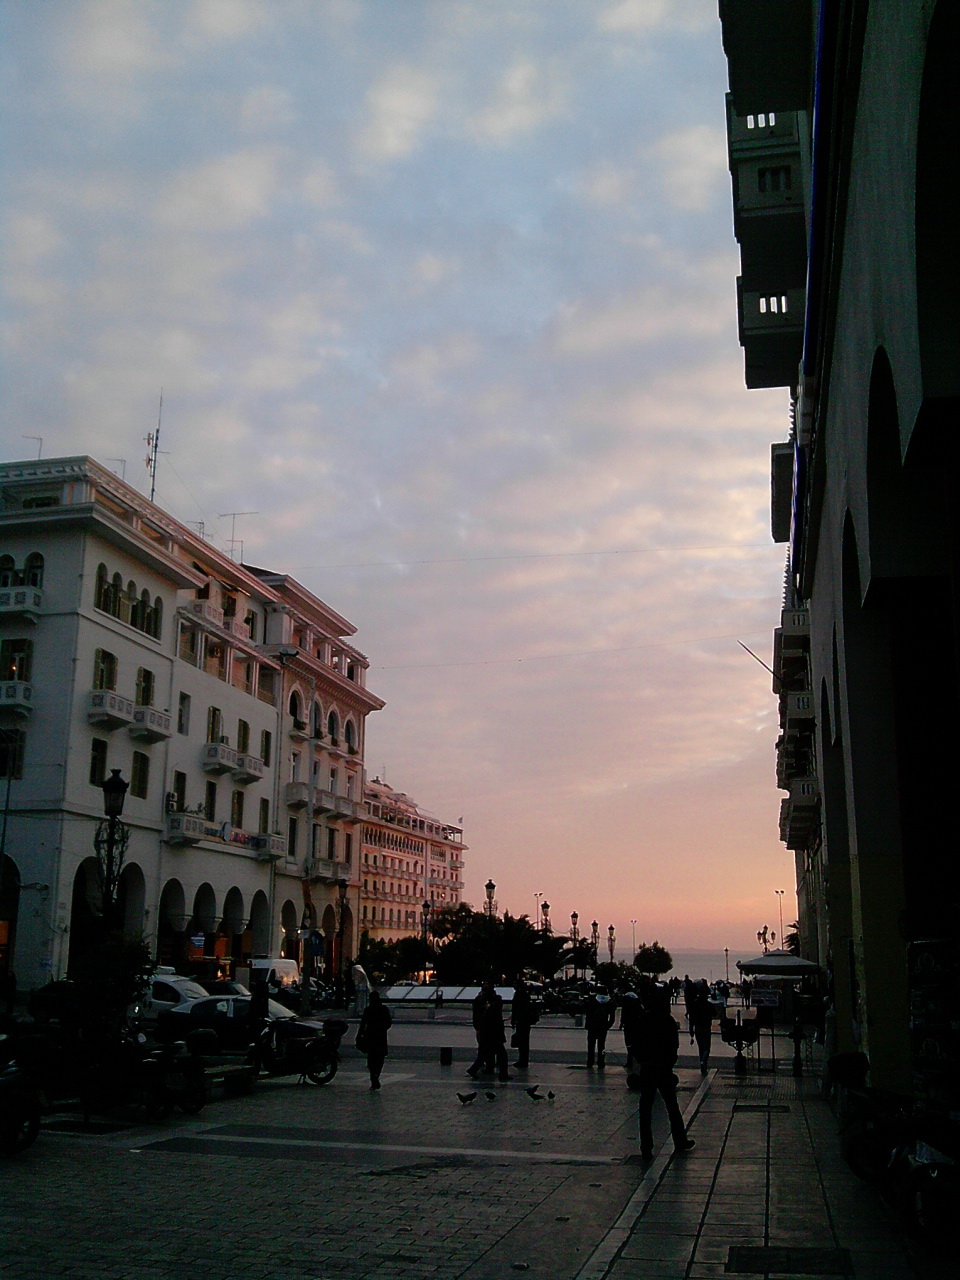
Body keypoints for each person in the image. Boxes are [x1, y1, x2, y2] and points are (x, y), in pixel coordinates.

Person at [634, 984, 695, 1160]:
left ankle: (646, 1146)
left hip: (647, 1068)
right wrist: (669, 1062)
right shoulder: (667, 1021)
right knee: (672, 1107)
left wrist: (642, 1060)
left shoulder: (643, 1020)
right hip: (663, 1068)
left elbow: (636, 1043)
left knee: (645, 1109)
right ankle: (680, 1140)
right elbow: (674, 1045)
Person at [468, 979, 511, 1081]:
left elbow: (477, 1015)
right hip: (493, 1030)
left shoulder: (480, 999)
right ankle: (503, 1074)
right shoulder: (495, 999)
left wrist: (478, 1027)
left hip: (486, 1029)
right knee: (501, 1053)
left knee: (484, 1052)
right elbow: (496, 1012)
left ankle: (474, 1069)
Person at [356, 989, 392, 1089]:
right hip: (381, 1036)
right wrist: (383, 1028)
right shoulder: (384, 1009)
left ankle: (373, 1076)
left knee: (371, 1058)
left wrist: (359, 1034)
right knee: (380, 1058)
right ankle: (376, 1075)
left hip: (370, 1035)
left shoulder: (368, 1010)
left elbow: (363, 1024)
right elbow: (389, 1023)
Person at [687, 979, 714, 1075]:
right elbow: (715, 1013)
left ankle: (702, 1063)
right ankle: (703, 1062)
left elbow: (691, 1018)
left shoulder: (694, 1004)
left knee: (701, 1047)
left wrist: (691, 1029)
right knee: (707, 1048)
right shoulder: (708, 1005)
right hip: (706, 1027)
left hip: (697, 1028)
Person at [585, 987, 617, 1068]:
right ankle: (601, 1061)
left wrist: (587, 1024)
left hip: (593, 1025)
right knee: (601, 1045)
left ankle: (590, 1061)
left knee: (591, 1045)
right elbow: (612, 1018)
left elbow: (588, 1014)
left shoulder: (593, 1001)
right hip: (603, 1026)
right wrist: (608, 1025)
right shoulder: (610, 1002)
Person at [510, 978, 537, 1070]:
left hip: (522, 1021)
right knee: (524, 1042)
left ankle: (523, 1060)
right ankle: (523, 1060)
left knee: (522, 1042)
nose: (513, 985)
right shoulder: (524, 994)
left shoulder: (520, 994)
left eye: (515, 983)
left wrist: (515, 1019)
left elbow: (517, 1009)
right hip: (524, 1021)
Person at [619, 990, 641, 1070]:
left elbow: (623, 1014)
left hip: (628, 1025)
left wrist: (621, 1023)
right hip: (636, 1025)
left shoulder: (626, 1002)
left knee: (629, 1044)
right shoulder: (637, 1003)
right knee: (635, 1044)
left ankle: (630, 1061)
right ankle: (635, 1060)